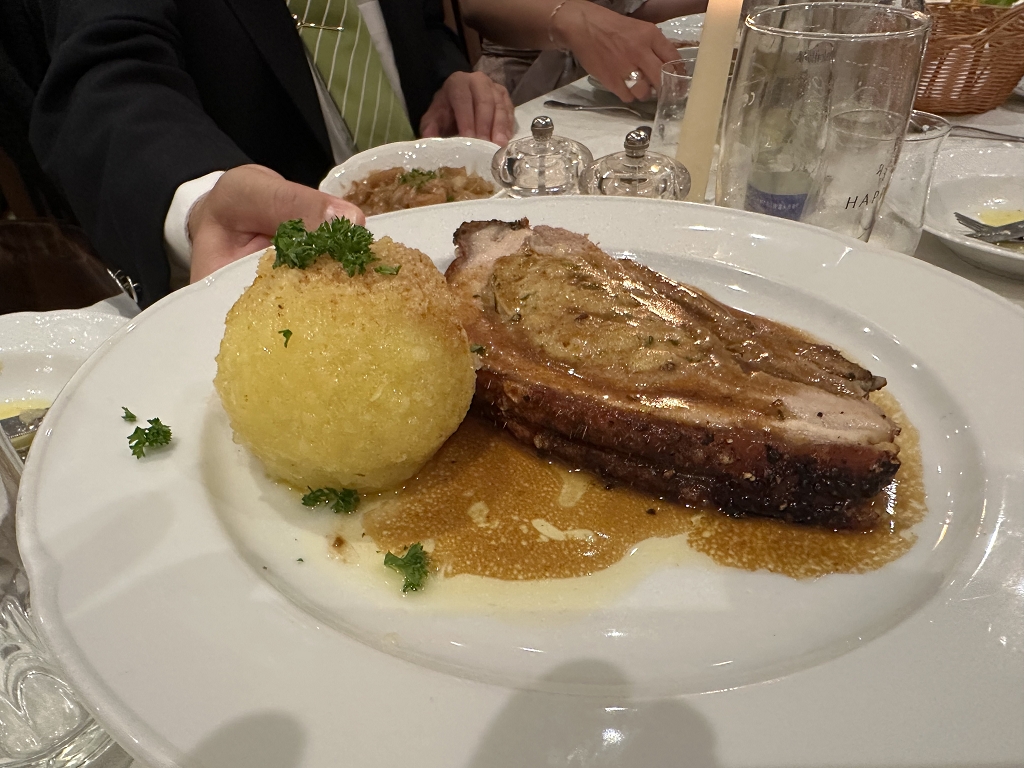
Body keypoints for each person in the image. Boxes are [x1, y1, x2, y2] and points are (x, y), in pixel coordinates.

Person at [29, 0, 514, 306]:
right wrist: (203, 200)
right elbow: (105, 74)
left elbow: (421, 21)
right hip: (285, 271)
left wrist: (446, 78)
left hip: (460, 246)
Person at [464, 0, 707, 104]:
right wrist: (574, 20)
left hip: (618, 72)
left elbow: (630, 9)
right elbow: (475, 7)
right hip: (517, 85)